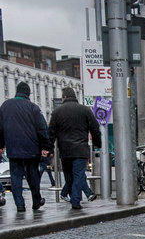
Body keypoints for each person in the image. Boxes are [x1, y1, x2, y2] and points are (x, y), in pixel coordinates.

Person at [48, 87, 102, 212]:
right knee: (78, 174)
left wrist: (49, 148)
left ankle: (73, 197)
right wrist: (97, 143)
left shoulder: (57, 112)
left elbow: (51, 132)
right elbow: (95, 129)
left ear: (64, 97)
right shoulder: (85, 110)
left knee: (69, 175)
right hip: (80, 149)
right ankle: (76, 200)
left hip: (65, 150)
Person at [0, 81, 50, 213]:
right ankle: (36, 201)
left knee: (15, 177)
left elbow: (0, 128)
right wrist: (46, 146)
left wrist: (1, 145)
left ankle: (20, 204)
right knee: (33, 176)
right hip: (31, 149)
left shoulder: (5, 106)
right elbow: (42, 128)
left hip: (13, 149)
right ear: (28, 93)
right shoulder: (33, 107)